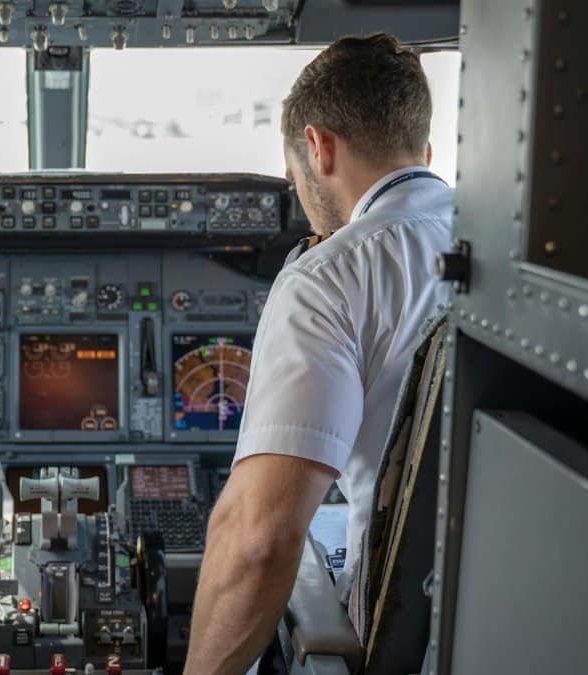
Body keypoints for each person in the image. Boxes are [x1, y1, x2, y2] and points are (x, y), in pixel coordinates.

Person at [184, 33, 452, 673]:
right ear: (424, 152)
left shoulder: (330, 277)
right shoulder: (516, 253)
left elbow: (259, 540)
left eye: (292, 178)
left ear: (317, 147)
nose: (301, 198)